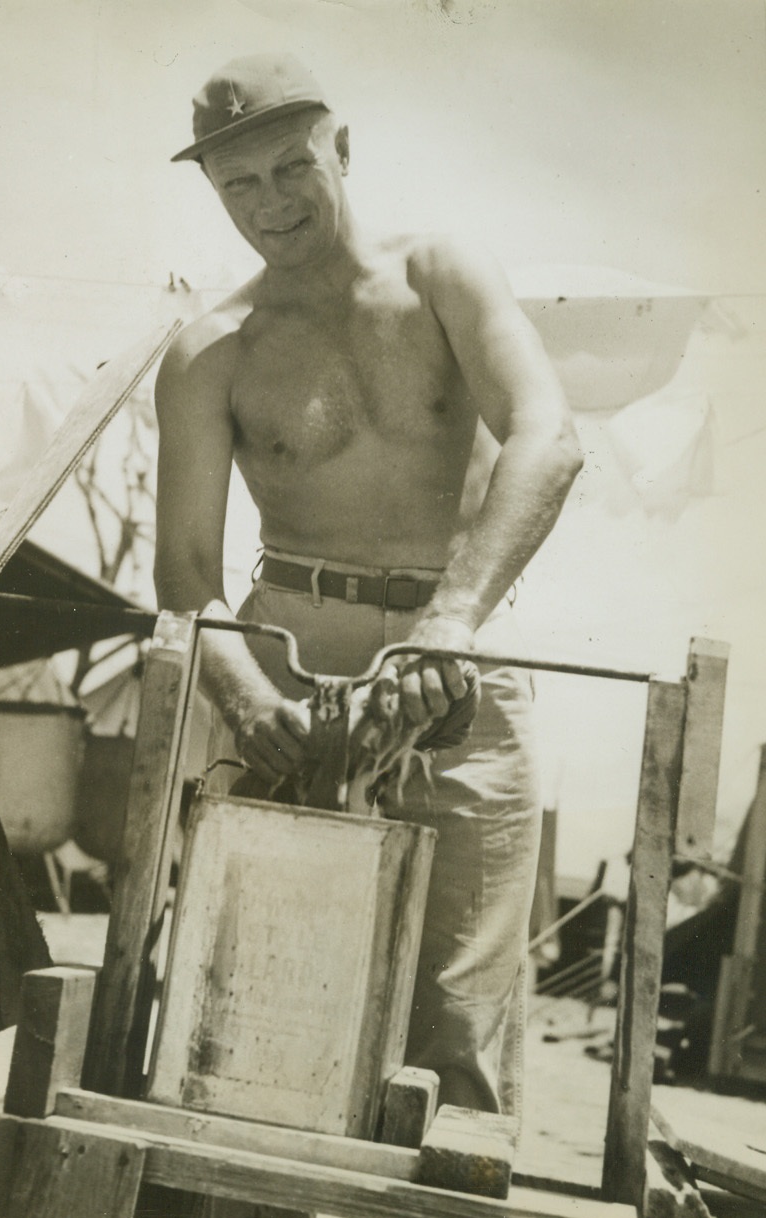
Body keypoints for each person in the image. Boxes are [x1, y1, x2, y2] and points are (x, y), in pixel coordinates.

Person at [153, 52, 582, 1119]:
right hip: (285, 672)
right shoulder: (210, 348)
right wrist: (248, 701)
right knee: (239, 1008)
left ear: (341, 149)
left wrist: (450, 622)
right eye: (237, 184)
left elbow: (548, 438)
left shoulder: (441, 275)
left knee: (453, 1028)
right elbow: (185, 580)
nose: (269, 204)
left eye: (291, 167)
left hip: (460, 679)